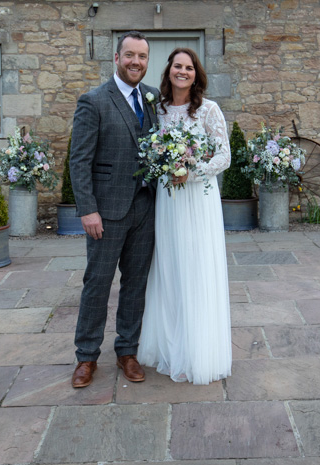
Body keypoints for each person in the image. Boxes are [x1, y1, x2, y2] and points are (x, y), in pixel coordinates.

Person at [69, 31, 160, 388]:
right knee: (97, 284)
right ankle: (86, 357)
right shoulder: (94, 100)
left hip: (147, 208)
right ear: (117, 58)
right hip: (106, 212)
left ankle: (127, 351)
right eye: (130, 55)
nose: (136, 62)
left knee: (136, 285)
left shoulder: (152, 98)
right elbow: (79, 160)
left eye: (142, 56)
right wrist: (87, 209)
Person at [138, 48, 232, 384]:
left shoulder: (209, 110)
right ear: (169, 71)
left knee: (197, 267)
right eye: (177, 66)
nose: (183, 71)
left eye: (189, 67)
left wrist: (191, 172)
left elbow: (224, 156)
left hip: (197, 199)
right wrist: (164, 165)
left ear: (197, 73)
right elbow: (150, 150)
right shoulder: (157, 109)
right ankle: (168, 343)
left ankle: (198, 351)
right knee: (169, 267)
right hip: (168, 199)